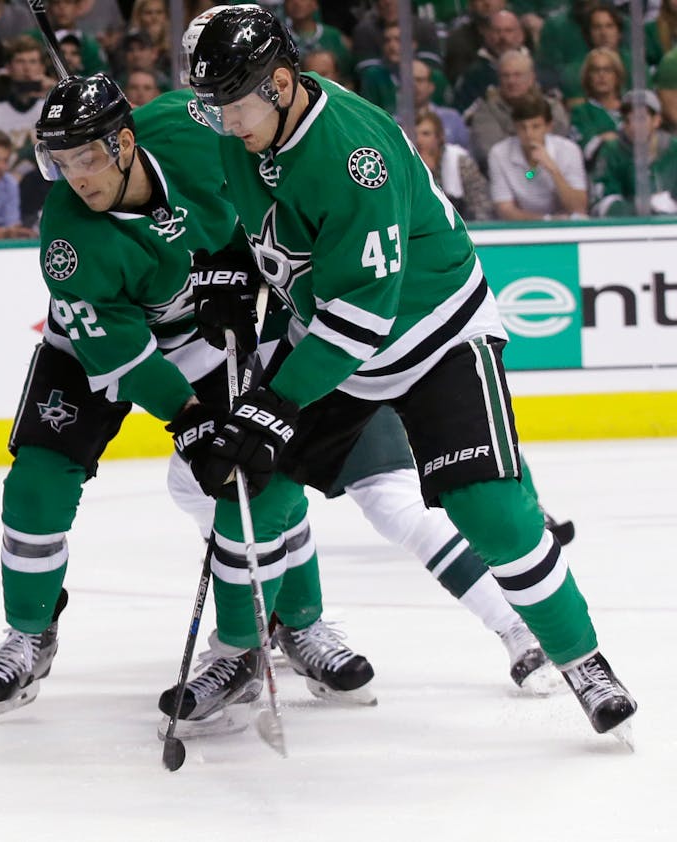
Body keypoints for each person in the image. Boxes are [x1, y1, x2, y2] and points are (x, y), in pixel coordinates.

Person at [0, 75, 557, 728]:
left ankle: (294, 628)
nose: (76, 177)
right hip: (99, 344)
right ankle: (28, 635)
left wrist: (243, 265)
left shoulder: (190, 124)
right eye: (62, 162)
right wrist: (185, 418)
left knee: (257, 478)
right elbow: (121, 355)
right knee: (38, 482)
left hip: (206, 339)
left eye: (88, 157)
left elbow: (273, 167)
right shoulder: (69, 236)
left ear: (125, 139)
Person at [182, 5, 634, 741]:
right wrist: (220, 265)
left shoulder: (355, 154)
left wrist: (276, 402)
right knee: (251, 488)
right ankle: (238, 650)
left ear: (284, 82)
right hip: (331, 335)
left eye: (234, 104)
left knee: (491, 510)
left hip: (431, 334)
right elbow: (225, 195)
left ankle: (581, 659)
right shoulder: (244, 123)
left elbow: (366, 315)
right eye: (216, 105)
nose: (225, 121)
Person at [464, 49, 570, 171]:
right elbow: (489, 153)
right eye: (506, 76)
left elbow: (559, 146)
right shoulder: (485, 112)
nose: (511, 81)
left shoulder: (552, 107)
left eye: (518, 75)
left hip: (547, 173)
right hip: (505, 177)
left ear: (532, 78)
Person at [488, 92, 587, 221]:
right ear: (515, 127)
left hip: (565, 225)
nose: (529, 134)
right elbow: (505, 210)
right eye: (522, 127)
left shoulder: (568, 150)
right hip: (520, 228)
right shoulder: (499, 153)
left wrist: (553, 170)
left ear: (548, 127)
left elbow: (578, 208)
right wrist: (547, 220)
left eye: (536, 127)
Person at [0, 36, 51, 178]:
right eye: (20, 61)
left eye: (33, 62)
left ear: (42, 68)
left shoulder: (52, 110)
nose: (27, 68)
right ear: (8, 68)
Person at [590, 90, 677, 218]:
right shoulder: (611, 151)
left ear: (657, 120)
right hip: (628, 232)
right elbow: (604, 205)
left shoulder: (673, 150)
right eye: (627, 120)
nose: (633, 125)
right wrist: (648, 206)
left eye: (640, 119)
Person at [414, 111, 493, 222]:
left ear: (440, 137)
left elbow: (482, 206)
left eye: (426, 134)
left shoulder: (460, 162)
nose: (418, 140)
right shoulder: (406, 166)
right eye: (414, 134)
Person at [451, 9, 528, 112]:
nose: (502, 37)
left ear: (521, 35)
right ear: (487, 35)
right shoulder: (473, 75)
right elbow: (462, 114)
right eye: (497, 31)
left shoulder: (538, 68)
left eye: (508, 30)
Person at [569, 47, 624, 164]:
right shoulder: (581, 112)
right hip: (597, 174)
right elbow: (585, 150)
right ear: (588, 77)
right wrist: (605, 139)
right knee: (530, 174)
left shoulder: (630, 108)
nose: (601, 75)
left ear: (617, 76)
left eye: (607, 70)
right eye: (595, 70)